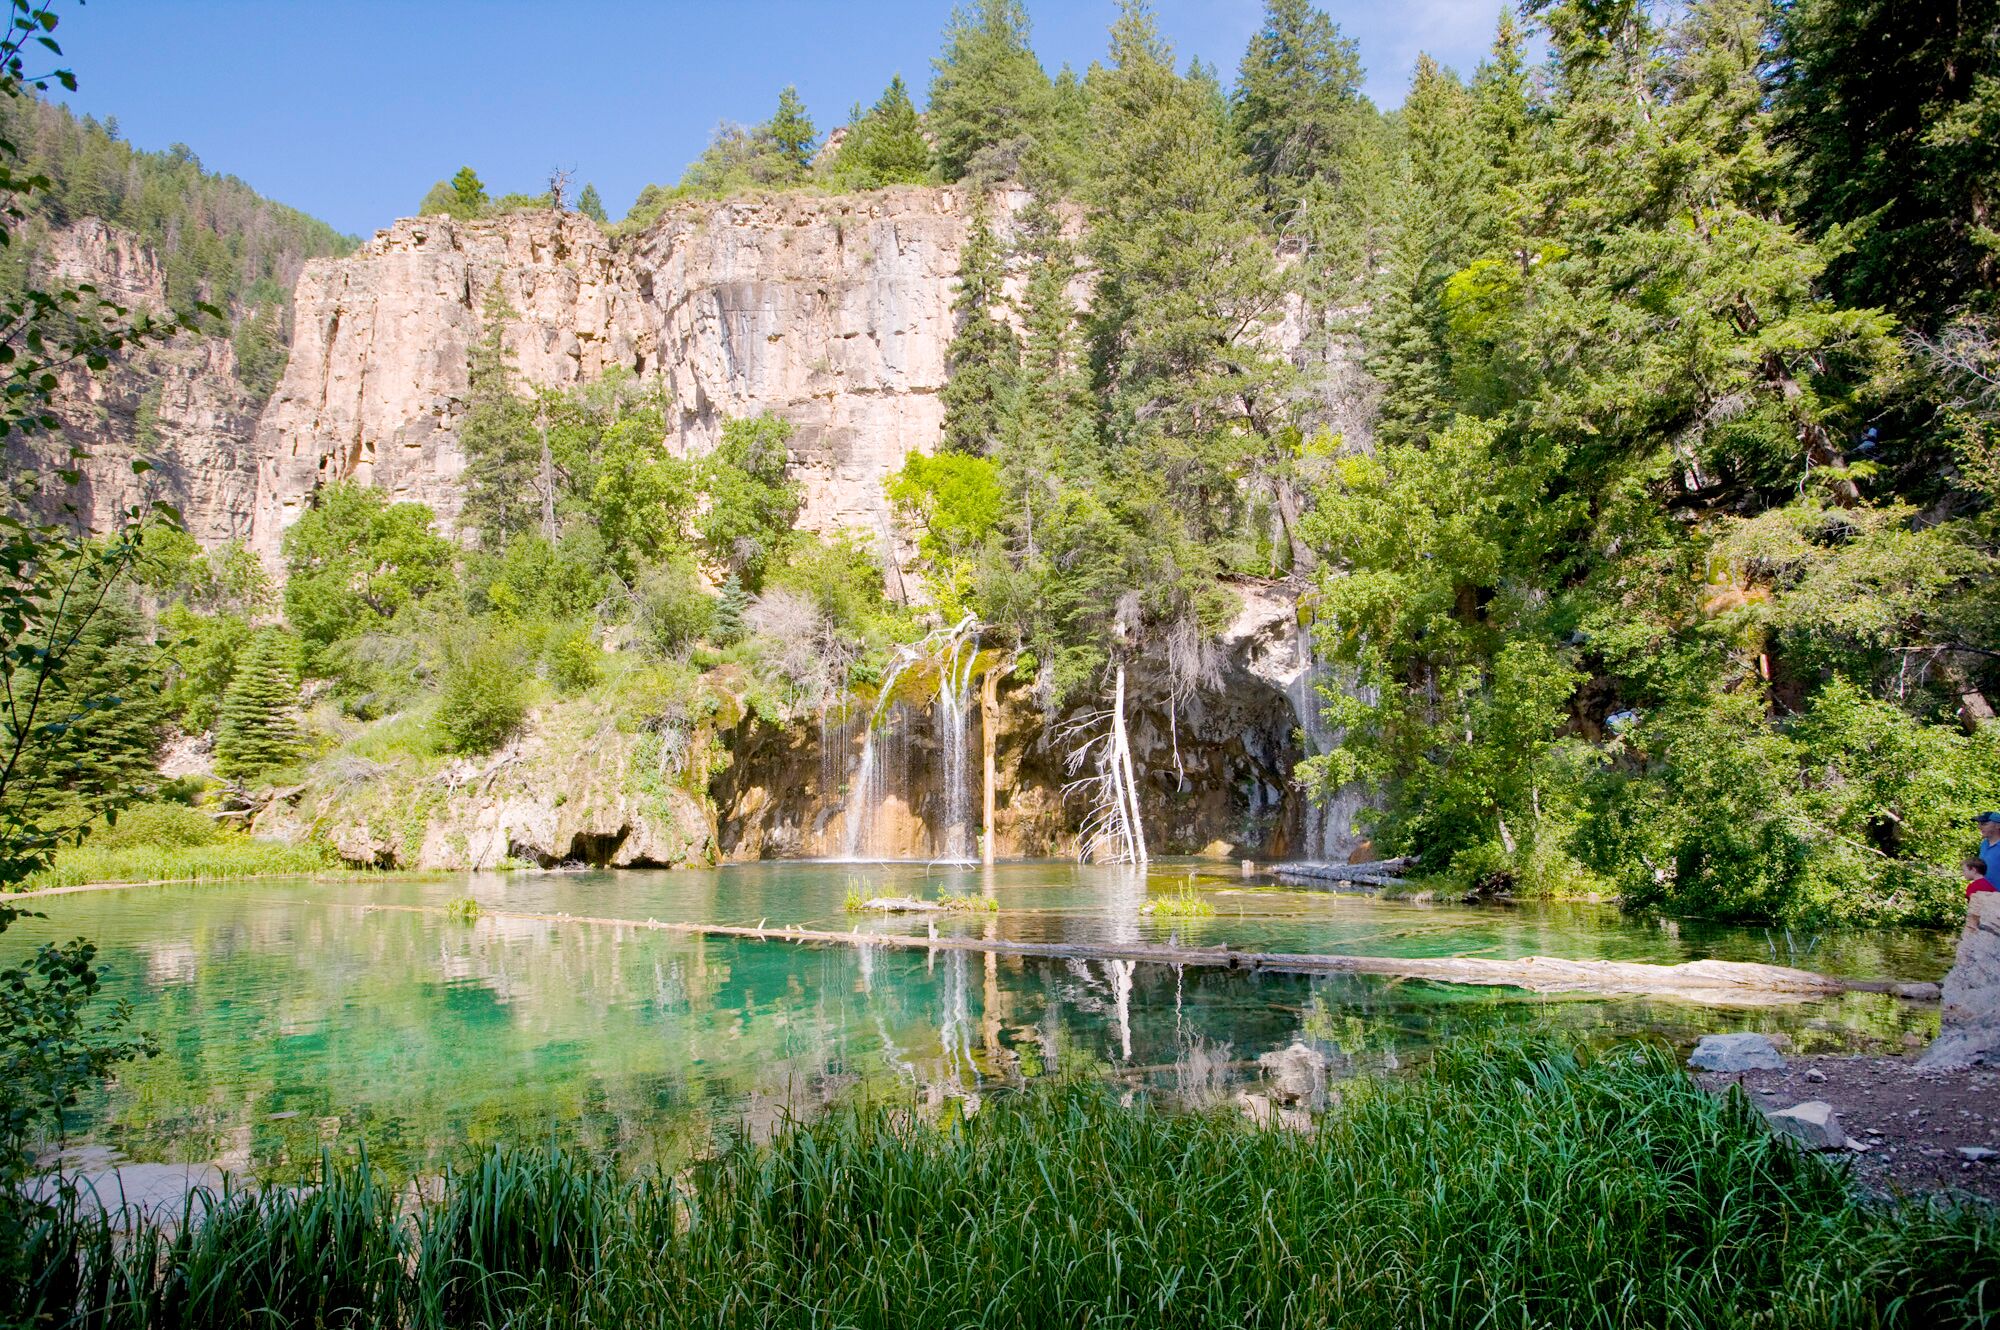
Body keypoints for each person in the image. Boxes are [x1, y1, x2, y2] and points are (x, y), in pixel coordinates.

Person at [1976, 812, 2000, 883]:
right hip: (1983, 892)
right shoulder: (1984, 844)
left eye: (1984, 824)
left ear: (1998, 825)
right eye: (1979, 824)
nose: (1979, 827)